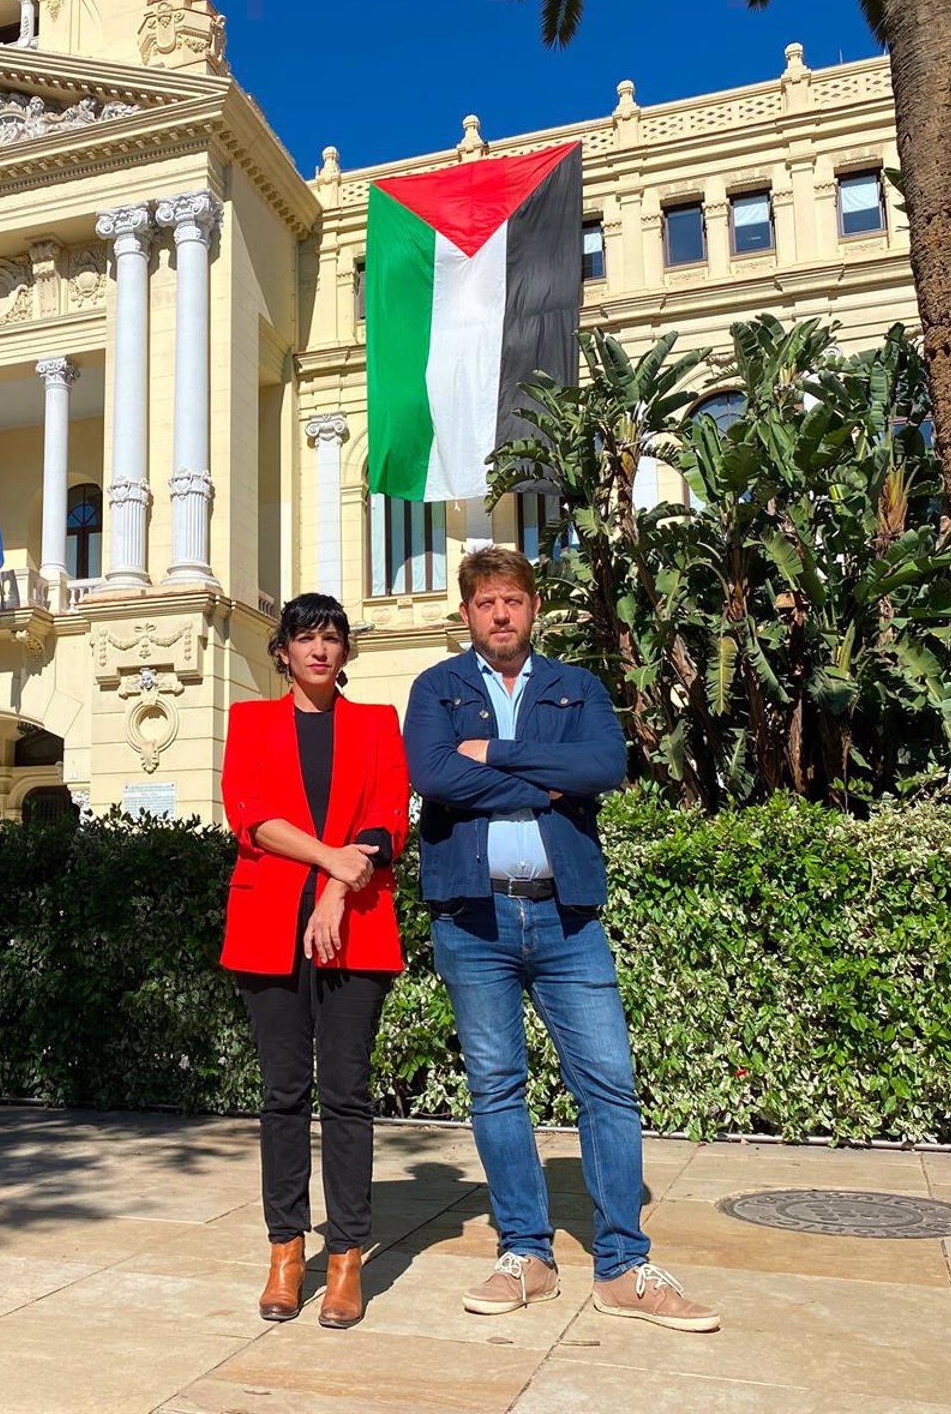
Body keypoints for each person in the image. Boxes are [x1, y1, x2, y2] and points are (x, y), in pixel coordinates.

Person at [403, 546, 719, 1332]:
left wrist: (498, 755)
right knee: (496, 1087)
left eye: (512, 599)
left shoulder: (574, 688)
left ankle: (623, 1264)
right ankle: (527, 1255)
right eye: (485, 603)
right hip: (473, 917)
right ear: (468, 612)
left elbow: (605, 766)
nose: (500, 614)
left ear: (532, 607)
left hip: (565, 915)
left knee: (609, 1083)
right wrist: (546, 778)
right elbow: (434, 776)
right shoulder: (436, 687)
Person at [220, 593, 410, 1330]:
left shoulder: (375, 723)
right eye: (307, 639)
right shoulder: (250, 721)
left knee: (349, 1095)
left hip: (356, 923)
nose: (321, 651)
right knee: (283, 1095)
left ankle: (345, 1260)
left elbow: (388, 819)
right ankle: (285, 1251)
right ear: (283, 652)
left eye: (333, 638)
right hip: (267, 925)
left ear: (345, 652)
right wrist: (331, 858)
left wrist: (335, 889)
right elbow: (253, 816)